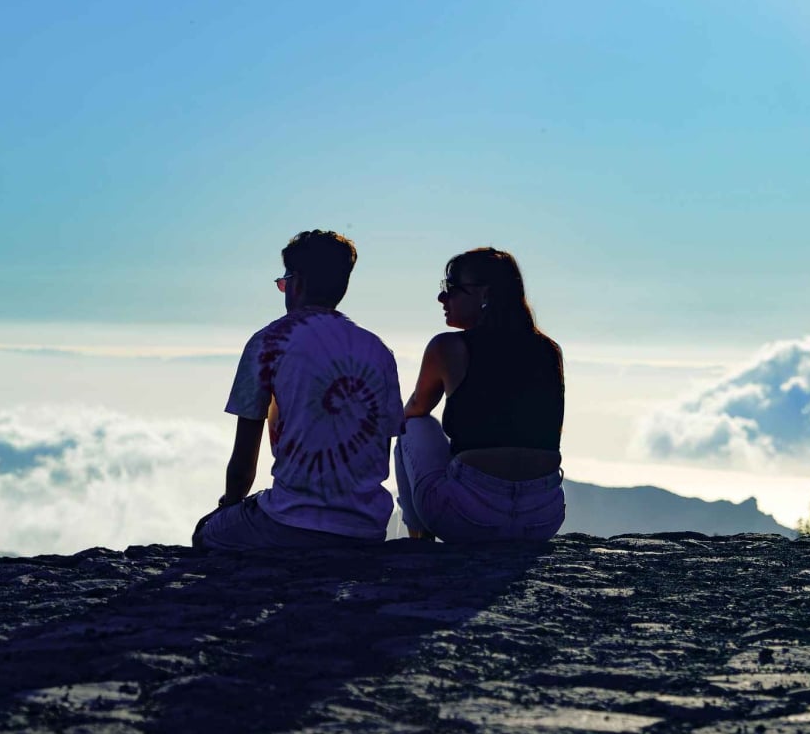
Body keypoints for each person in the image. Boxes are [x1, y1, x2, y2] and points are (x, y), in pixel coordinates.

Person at [194, 229, 403, 551]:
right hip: (366, 529)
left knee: (205, 532)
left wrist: (229, 505)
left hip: (288, 523)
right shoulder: (379, 351)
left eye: (284, 282)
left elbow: (244, 459)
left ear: (298, 282)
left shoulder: (269, 342)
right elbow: (380, 449)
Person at [395, 247, 565, 542]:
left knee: (413, 425)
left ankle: (419, 545)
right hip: (541, 520)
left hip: (467, 518)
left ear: (485, 294)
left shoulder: (447, 348)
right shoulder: (549, 351)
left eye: (451, 287)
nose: (442, 298)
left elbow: (414, 409)